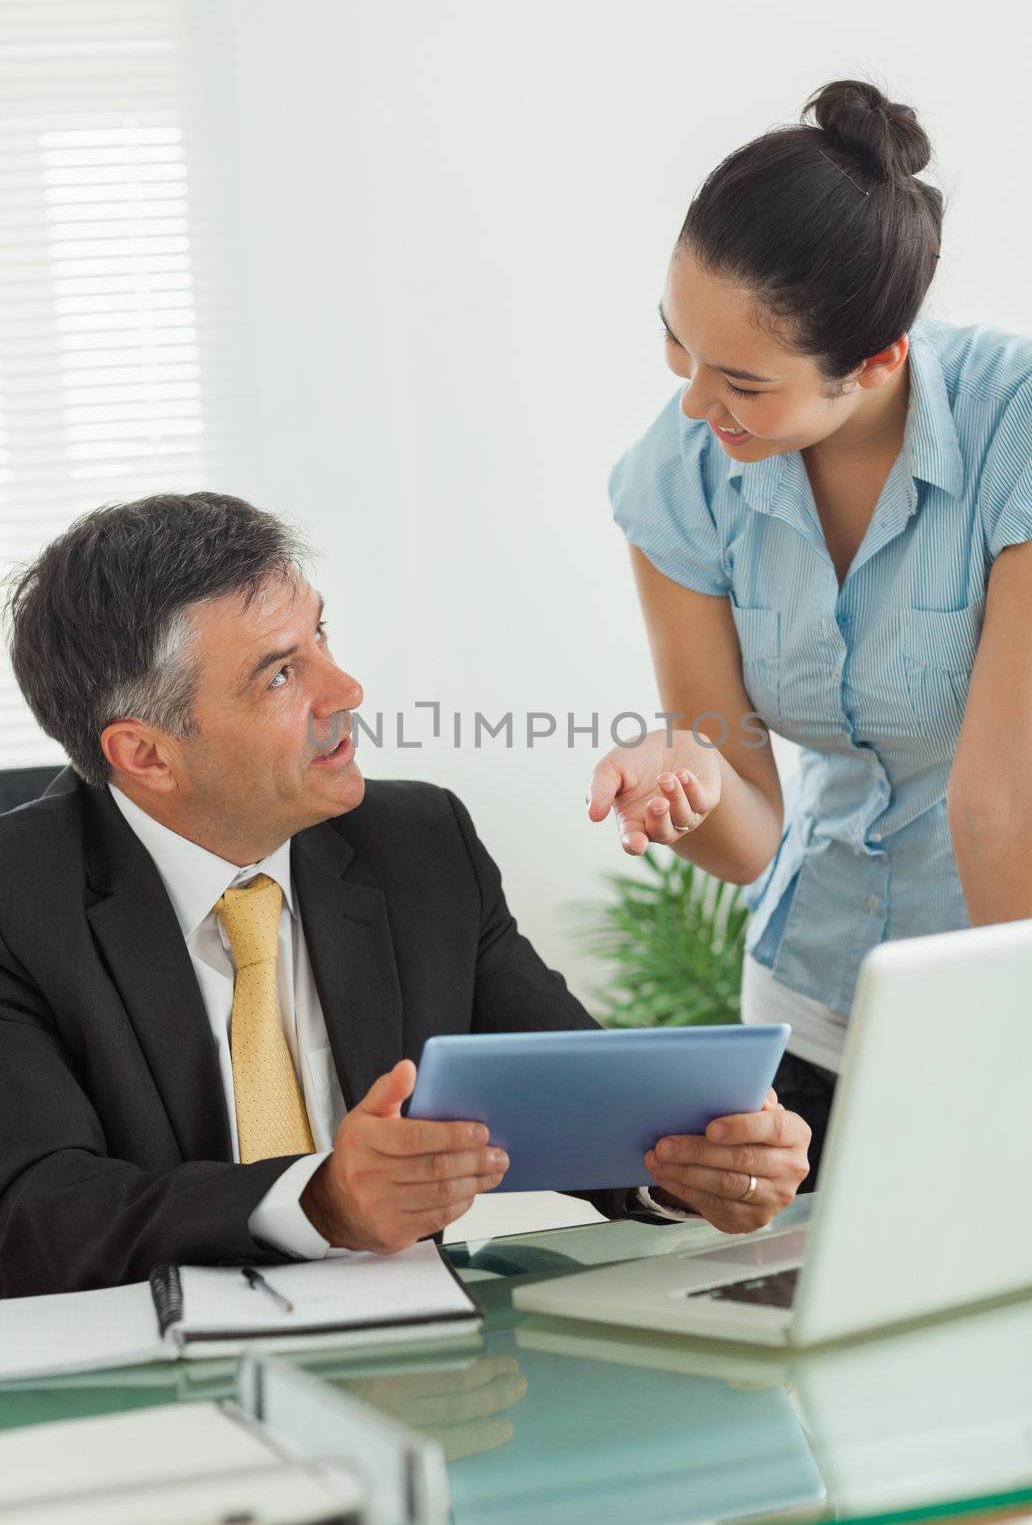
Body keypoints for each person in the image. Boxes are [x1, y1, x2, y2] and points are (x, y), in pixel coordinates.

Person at [0, 493, 810, 1298]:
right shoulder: (17, 902)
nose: (345, 689)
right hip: (131, 1378)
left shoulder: (417, 844)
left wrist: (693, 1167)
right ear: (144, 754)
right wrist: (317, 1204)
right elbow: (38, 1213)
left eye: (319, 634)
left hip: (415, 1362)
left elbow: (574, 1102)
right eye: (281, 674)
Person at [588, 77, 1032, 1191]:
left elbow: (1006, 798)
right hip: (812, 1007)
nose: (698, 406)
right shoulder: (678, 476)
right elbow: (756, 836)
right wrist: (687, 787)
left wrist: (1019, 1063)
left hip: (1010, 983)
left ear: (878, 360)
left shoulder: (1030, 430)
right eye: (678, 347)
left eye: (744, 381)